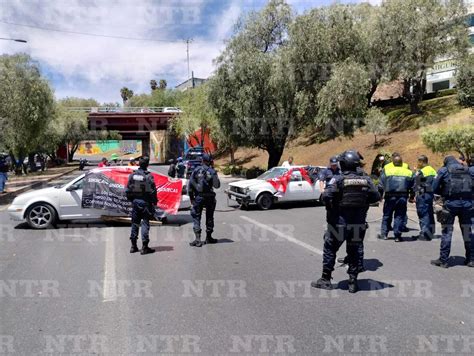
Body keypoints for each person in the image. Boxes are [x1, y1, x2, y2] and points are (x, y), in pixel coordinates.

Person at [312, 150, 380, 293]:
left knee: (330, 249)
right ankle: (353, 282)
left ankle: (325, 279)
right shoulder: (366, 180)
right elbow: (376, 197)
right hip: (358, 224)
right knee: (354, 251)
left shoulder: (338, 180)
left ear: (343, 164)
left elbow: (325, 197)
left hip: (339, 224)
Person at [430, 156, 473, 268]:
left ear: (446, 162)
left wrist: (442, 192)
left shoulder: (444, 170)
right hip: (467, 204)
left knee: (447, 231)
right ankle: (471, 259)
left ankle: (443, 260)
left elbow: (434, 188)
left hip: (450, 204)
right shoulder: (468, 170)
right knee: (467, 231)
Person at [378, 155, 414, 242]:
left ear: (393, 163)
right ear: (402, 163)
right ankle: (397, 236)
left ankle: (384, 234)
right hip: (402, 197)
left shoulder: (387, 171)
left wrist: (380, 196)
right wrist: (411, 197)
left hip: (390, 196)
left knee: (387, 215)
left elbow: (380, 185)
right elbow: (413, 186)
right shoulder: (408, 172)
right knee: (399, 216)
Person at [125, 156, 157, 255]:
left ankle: (133, 246)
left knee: (135, 223)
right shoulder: (148, 176)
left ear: (139, 164)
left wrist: (132, 200)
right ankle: (144, 247)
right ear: (147, 164)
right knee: (145, 223)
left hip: (135, 202)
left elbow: (127, 190)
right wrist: (154, 202)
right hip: (145, 203)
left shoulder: (132, 175)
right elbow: (152, 191)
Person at [188, 154, 221, 247]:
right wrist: (214, 171)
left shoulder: (196, 170)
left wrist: (191, 198)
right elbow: (217, 186)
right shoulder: (212, 171)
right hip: (210, 197)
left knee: (196, 216)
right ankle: (209, 237)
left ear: (202, 160)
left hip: (199, 197)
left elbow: (190, 185)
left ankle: (198, 239)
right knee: (209, 216)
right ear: (210, 161)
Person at [413, 155, 437, 241]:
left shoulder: (422, 172)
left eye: (418, 162)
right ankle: (431, 232)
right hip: (430, 194)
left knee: (423, 213)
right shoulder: (433, 170)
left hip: (422, 195)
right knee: (430, 213)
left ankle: (424, 234)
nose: (417, 164)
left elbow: (417, 184)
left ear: (422, 162)